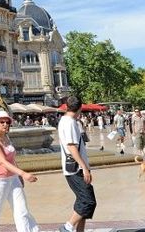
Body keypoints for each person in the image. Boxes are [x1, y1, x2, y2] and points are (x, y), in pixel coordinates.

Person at [0, 111, 39, 232]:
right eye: (2, 122)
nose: (5, 124)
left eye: (7, 122)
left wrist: (18, 176)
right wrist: (23, 173)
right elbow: (3, 161)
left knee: (22, 209)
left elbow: (11, 159)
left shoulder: (6, 136)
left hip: (13, 179)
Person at [58, 96, 96, 232]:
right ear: (80, 107)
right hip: (75, 169)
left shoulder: (67, 121)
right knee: (88, 201)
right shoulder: (69, 123)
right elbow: (72, 147)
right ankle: (66, 227)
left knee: (83, 201)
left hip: (74, 168)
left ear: (67, 106)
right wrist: (84, 167)